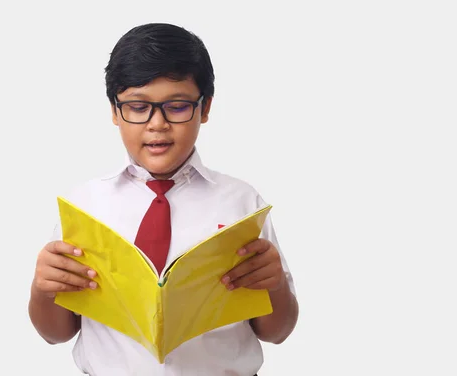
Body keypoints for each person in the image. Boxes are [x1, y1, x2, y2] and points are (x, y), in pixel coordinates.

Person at [28, 23, 299, 376]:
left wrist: (275, 284)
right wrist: (42, 289)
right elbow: (56, 333)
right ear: (114, 111)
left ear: (204, 108)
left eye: (177, 106)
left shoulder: (242, 202)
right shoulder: (84, 206)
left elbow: (277, 332)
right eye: (138, 107)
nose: (157, 124)